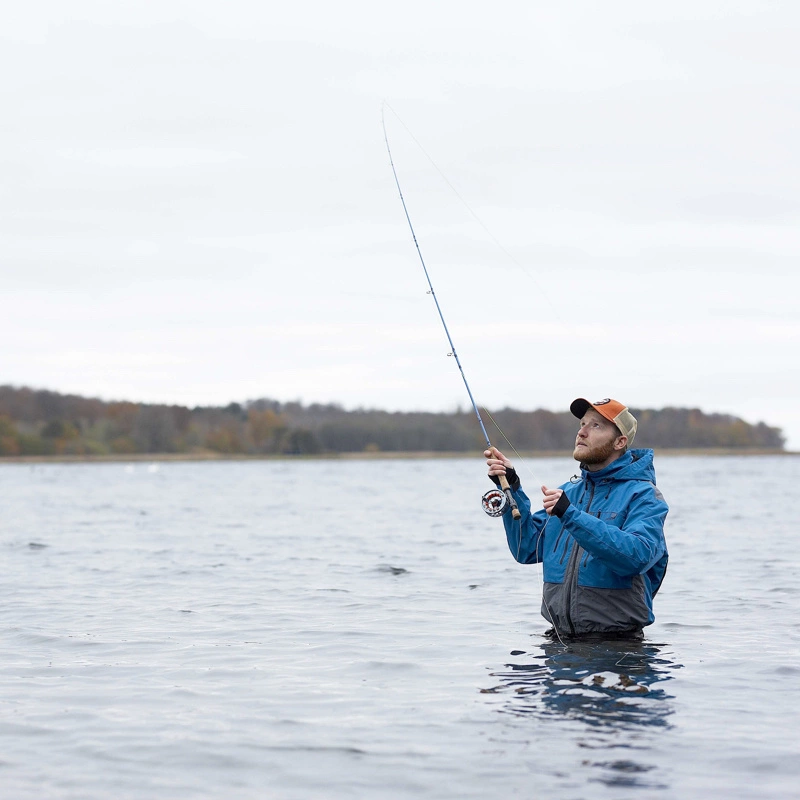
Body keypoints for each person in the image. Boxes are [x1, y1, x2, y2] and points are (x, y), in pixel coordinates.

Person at [485, 398, 669, 641]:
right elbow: (526, 548)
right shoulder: (568, 493)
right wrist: (512, 487)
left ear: (620, 442)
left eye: (596, 425)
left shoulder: (644, 495)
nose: (582, 432)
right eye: (582, 424)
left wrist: (571, 515)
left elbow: (637, 556)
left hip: (619, 647)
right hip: (557, 645)